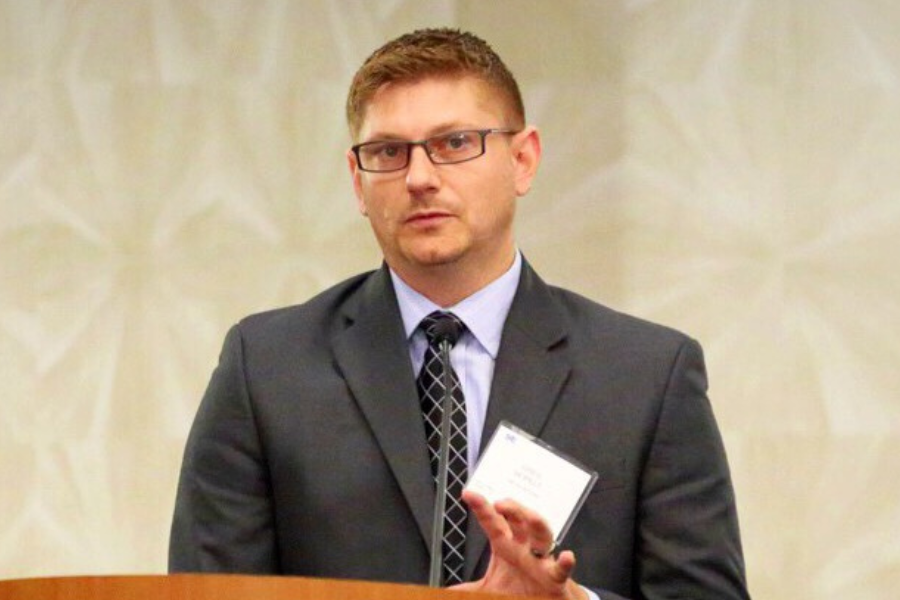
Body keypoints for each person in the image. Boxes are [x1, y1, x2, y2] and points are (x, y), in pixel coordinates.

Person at [169, 28, 751, 600]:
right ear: (357, 181)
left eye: (454, 143)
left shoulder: (646, 375)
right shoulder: (266, 369)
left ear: (523, 160)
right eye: (388, 152)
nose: (420, 178)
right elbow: (204, 593)